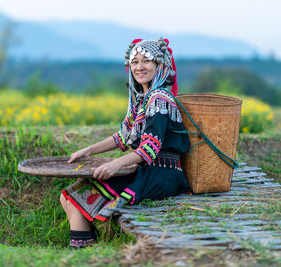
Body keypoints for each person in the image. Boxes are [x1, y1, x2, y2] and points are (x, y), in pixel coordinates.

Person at [59, 38, 191, 249]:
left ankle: (82, 254)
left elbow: (149, 149)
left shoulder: (160, 98)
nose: (139, 67)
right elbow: (123, 136)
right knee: (66, 198)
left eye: (146, 61)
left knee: (74, 199)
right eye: (135, 62)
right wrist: (88, 150)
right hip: (147, 169)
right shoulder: (142, 98)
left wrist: (116, 164)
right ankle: (89, 246)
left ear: (159, 65)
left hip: (162, 173)